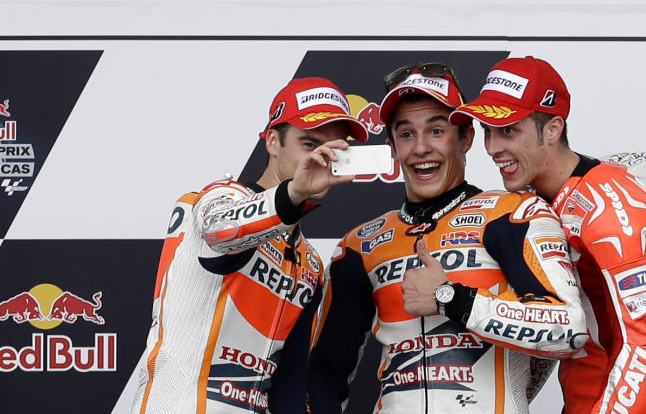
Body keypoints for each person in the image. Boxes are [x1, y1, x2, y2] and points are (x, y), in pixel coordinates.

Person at [308, 62, 587, 414]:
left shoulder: (511, 215)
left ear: (466, 138)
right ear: (393, 148)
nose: (421, 148)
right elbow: (323, 377)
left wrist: (451, 298)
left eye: (437, 131)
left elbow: (570, 331)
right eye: (406, 134)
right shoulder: (360, 245)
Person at [451, 56, 646, 414]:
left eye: (508, 130)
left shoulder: (608, 208)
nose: (492, 147)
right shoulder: (535, 199)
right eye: (488, 131)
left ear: (553, 129)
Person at [131, 78, 368, 414]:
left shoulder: (310, 262)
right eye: (309, 143)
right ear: (273, 141)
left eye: (335, 148)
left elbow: (289, 385)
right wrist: (294, 195)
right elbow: (222, 236)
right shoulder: (217, 198)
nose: (322, 158)